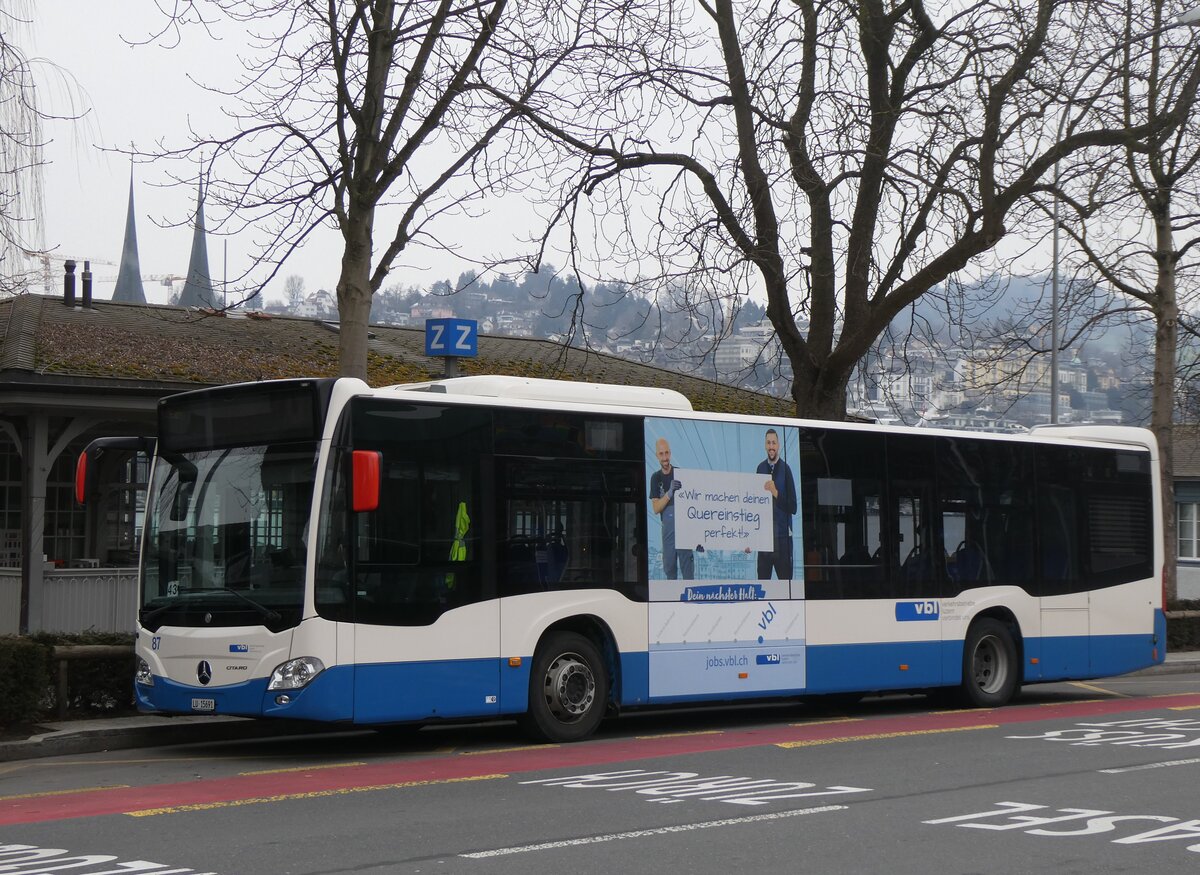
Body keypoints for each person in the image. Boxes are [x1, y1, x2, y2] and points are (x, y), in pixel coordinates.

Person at [649, 437, 693, 579]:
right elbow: (656, 508)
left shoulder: (681, 474)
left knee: (687, 568)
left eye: (667, 453)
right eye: (661, 454)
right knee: (669, 568)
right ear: (657, 455)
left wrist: (698, 536)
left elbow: (693, 505)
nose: (665, 457)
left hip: (684, 529)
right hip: (668, 531)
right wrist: (669, 493)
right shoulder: (655, 478)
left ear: (670, 453)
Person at [756, 428, 797, 580]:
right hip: (763, 539)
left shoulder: (786, 470)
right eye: (768, 443)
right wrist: (750, 539)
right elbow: (754, 506)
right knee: (763, 586)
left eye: (774, 443)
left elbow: (793, 507)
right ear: (765, 445)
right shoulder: (760, 469)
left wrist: (776, 493)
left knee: (786, 586)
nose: (771, 446)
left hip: (782, 539)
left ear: (778, 445)